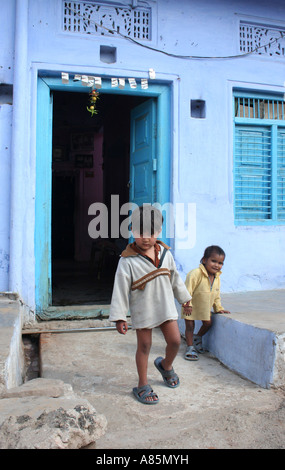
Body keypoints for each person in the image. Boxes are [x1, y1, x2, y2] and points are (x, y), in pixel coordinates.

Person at [109, 205, 191, 405]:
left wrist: (185, 299)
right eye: (140, 233)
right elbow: (120, 289)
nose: (145, 238)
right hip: (143, 308)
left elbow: (175, 279)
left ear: (159, 232)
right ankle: (142, 384)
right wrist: (120, 316)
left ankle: (166, 366)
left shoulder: (165, 254)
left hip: (165, 307)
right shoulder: (127, 260)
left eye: (151, 233)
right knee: (144, 346)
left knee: (175, 341)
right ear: (132, 231)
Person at [181, 245, 230, 361]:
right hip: (190, 306)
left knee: (208, 323)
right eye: (213, 261)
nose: (217, 265)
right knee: (190, 326)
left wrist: (218, 308)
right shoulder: (195, 274)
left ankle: (197, 338)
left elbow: (216, 294)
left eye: (220, 263)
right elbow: (187, 290)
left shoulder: (217, 277)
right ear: (204, 260)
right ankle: (190, 347)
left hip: (204, 307)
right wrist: (187, 304)